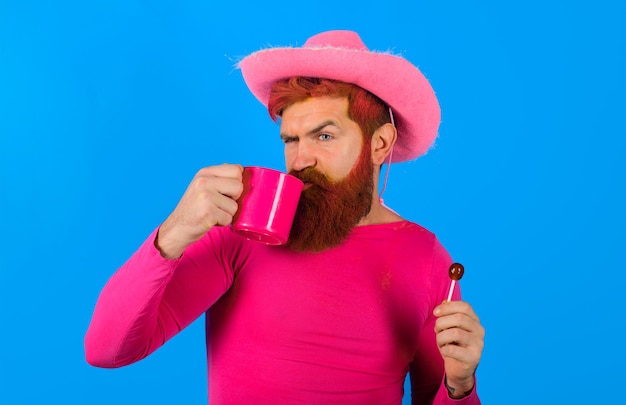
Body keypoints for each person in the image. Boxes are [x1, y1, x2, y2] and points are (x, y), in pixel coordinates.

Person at [85, 30, 485, 404]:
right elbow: (107, 350)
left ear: (379, 143)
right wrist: (173, 233)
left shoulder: (427, 258)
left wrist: (460, 383)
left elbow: (440, 391)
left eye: (323, 136)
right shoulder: (242, 232)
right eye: (291, 139)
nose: (300, 159)